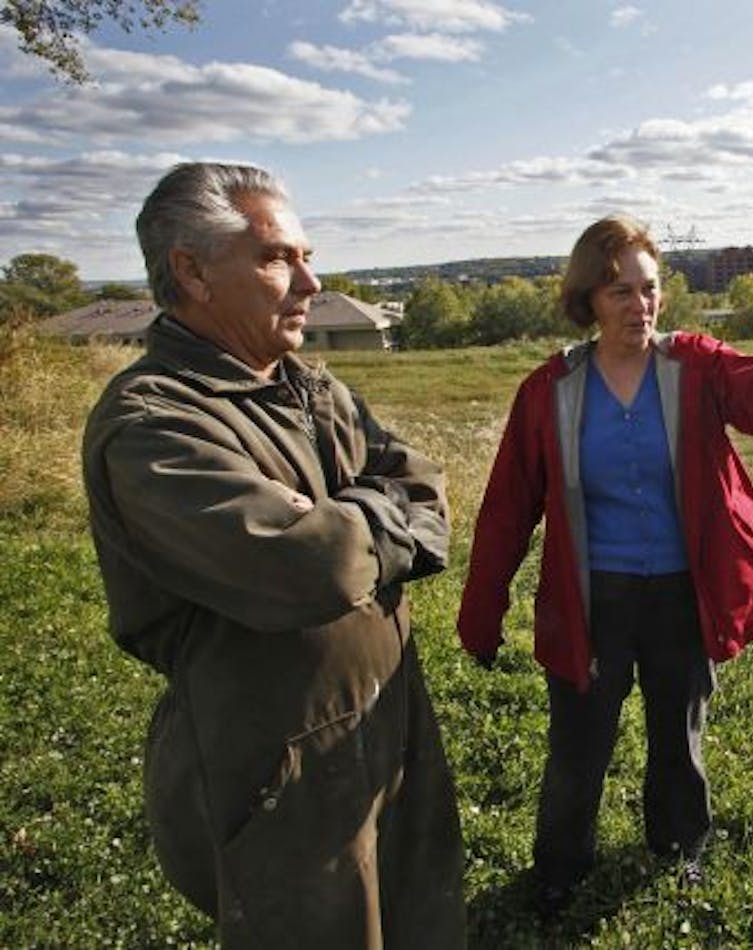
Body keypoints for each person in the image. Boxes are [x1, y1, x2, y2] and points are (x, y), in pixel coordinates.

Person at [455, 214, 753, 916]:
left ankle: (678, 846)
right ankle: (561, 868)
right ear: (588, 300)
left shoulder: (693, 367)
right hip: (592, 600)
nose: (640, 305)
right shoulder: (550, 391)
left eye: (649, 288)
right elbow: (507, 508)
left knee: (677, 736)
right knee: (578, 747)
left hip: (681, 594)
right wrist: (482, 615)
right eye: (620, 291)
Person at [82, 162, 465, 948]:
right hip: (278, 768)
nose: (309, 282)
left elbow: (425, 488)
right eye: (277, 258)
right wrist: (362, 519)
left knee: (420, 913)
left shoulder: (307, 385)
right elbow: (314, 569)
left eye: (305, 256)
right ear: (190, 271)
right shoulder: (154, 423)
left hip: (389, 726)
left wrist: (348, 519)